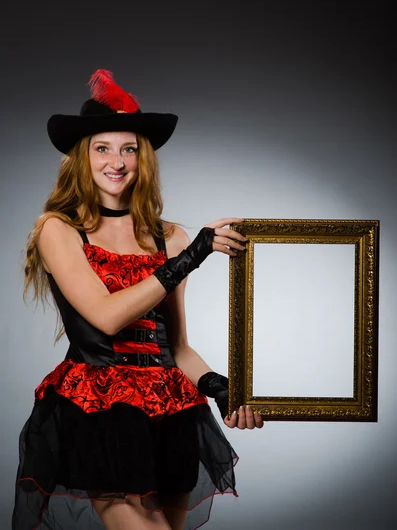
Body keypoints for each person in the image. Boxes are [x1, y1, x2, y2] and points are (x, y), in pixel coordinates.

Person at [12, 69, 264, 530]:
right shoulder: (59, 229)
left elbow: (178, 348)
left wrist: (222, 389)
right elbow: (107, 318)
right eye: (102, 148)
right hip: (101, 409)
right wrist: (190, 259)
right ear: (81, 158)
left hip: (174, 411)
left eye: (129, 148)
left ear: (143, 158)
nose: (117, 161)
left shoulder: (169, 237)